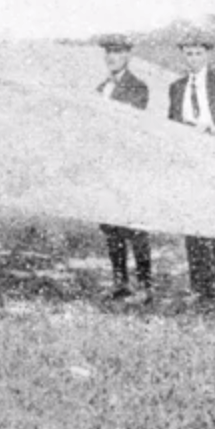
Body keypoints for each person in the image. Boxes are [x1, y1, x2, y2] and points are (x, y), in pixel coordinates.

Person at [167, 29, 215, 307]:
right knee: (193, 222)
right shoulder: (176, 87)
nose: (193, 58)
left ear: (207, 54)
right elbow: (171, 126)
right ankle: (202, 286)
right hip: (191, 160)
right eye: (188, 53)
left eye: (198, 53)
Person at [94, 33, 155, 303]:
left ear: (128, 55)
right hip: (106, 165)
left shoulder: (138, 87)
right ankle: (120, 282)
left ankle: (145, 286)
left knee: (135, 226)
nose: (112, 57)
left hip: (129, 166)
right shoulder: (100, 89)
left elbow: (129, 124)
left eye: (117, 52)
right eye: (108, 52)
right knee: (111, 226)